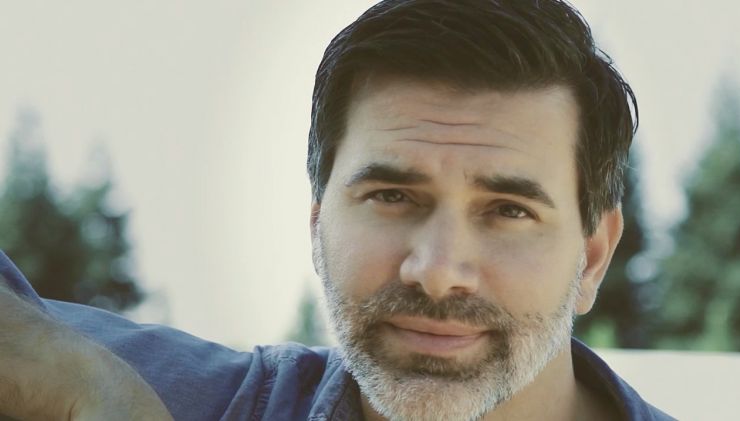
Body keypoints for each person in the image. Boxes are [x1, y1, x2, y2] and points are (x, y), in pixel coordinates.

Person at [0, 0, 676, 420]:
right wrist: (82, 380)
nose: (437, 271)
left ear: (592, 257)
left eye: (508, 210)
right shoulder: (173, 400)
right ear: (318, 225)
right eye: (392, 196)